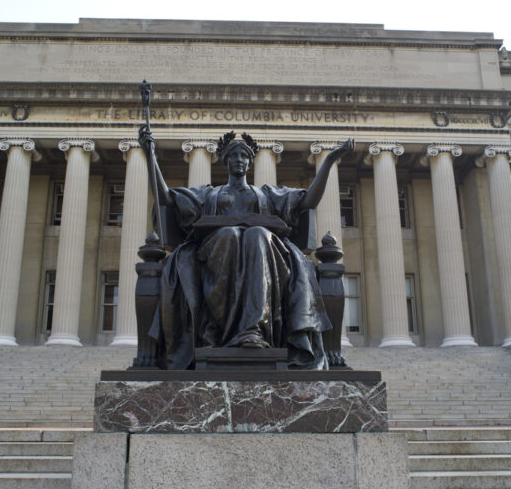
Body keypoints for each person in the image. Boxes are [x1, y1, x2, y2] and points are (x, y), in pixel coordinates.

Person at [139, 127, 354, 369]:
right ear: (225, 160)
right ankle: (221, 330)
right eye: (234, 156)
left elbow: (308, 201)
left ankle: (253, 330)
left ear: (250, 163)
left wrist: (329, 161)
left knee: (257, 234)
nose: (239, 160)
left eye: (243, 156)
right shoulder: (209, 194)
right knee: (229, 235)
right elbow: (166, 198)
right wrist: (150, 156)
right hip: (215, 250)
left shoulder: (267, 194)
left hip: (264, 252)